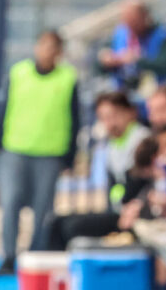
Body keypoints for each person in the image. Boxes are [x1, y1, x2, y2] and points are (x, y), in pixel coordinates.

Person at [0, 30, 80, 276]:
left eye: (53, 47)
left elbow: (75, 118)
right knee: (10, 203)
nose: (47, 51)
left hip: (50, 153)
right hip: (14, 149)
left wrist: (70, 156)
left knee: (43, 209)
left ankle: (34, 256)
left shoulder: (68, 78)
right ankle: (9, 256)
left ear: (60, 52)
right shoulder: (18, 72)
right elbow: (3, 109)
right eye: (43, 45)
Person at [44, 92, 152, 250]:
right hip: (118, 211)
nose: (109, 123)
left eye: (114, 115)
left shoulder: (143, 140)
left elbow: (141, 183)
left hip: (135, 214)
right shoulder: (112, 144)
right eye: (103, 118)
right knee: (56, 222)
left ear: (130, 112)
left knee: (72, 227)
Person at [97, 0, 166, 92]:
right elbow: (99, 67)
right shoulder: (120, 34)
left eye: (133, 19)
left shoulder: (160, 35)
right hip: (124, 95)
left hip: (155, 94)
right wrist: (107, 61)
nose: (130, 25)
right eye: (126, 19)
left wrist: (137, 60)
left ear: (145, 17)